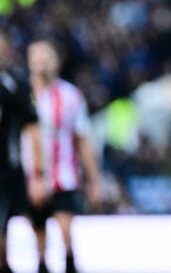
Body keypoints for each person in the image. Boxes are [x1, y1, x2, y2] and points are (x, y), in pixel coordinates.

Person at [24, 40, 103, 273]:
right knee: (38, 230)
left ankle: (69, 261)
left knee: (65, 226)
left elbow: (83, 139)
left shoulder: (71, 96)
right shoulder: (21, 95)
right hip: (30, 176)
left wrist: (94, 179)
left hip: (64, 175)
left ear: (56, 62)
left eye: (46, 59)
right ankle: (42, 265)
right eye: (36, 59)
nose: (41, 65)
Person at [0, 34, 47, 273]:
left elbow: (33, 128)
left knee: (30, 218)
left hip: (8, 172)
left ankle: (40, 262)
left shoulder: (13, 85)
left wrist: (38, 172)